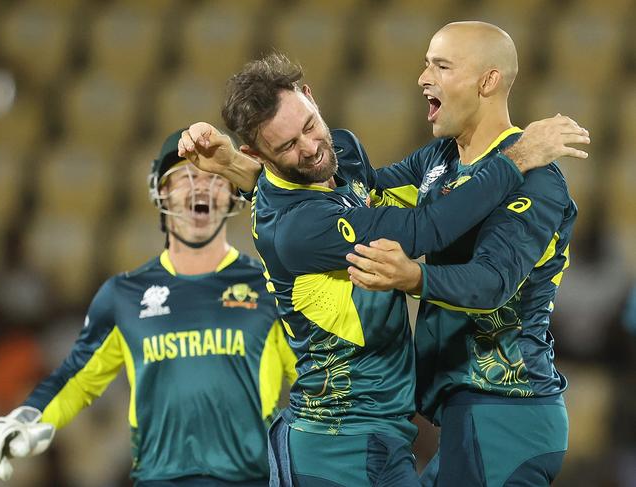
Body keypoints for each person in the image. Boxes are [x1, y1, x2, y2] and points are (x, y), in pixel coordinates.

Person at [177, 51, 588, 486]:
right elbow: (424, 227)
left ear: (311, 97)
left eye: (309, 126)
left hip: (382, 433)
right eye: (287, 147)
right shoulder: (298, 227)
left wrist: (237, 169)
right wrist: (517, 157)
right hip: (337, 442)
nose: (312, 148)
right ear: (255, 151)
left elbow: (405, 193)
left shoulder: (343, 153)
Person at [0, 129, 297, 487]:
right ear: (161, 193)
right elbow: (77, 379)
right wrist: (27, 419)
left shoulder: (270, 288)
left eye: (214, 178)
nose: (199, 188)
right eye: (184, 178)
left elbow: (315, 384)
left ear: (231, 194)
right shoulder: (125, 295)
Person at [345, 22, 580, 486]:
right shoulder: (438, 161)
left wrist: (412, 277)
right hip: (466, 408)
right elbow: (359, 194)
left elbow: (491, 283)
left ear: (487, 81)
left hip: (508, 410)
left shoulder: (539, 179)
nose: (422, 77)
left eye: (441, 65)